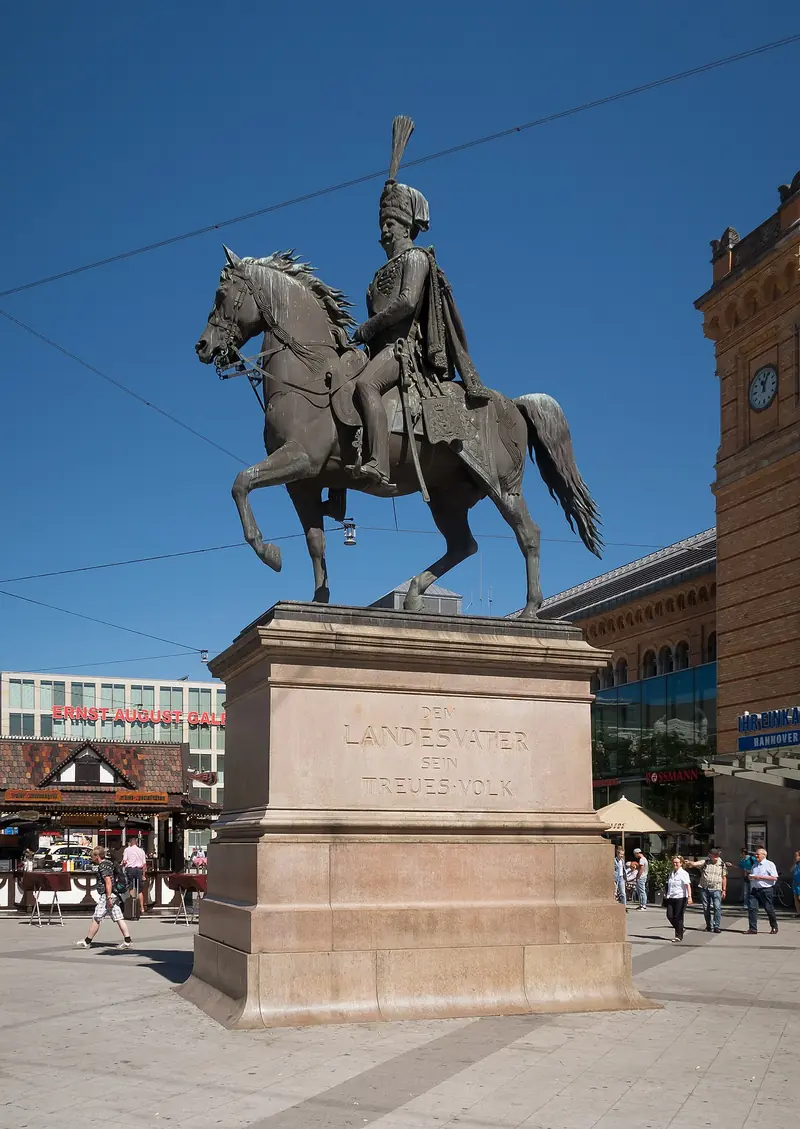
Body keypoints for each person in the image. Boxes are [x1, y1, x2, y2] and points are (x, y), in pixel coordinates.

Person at [351, 118, 490, 487]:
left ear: (406, 227)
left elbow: (407, 304)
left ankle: (379, 463)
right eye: (382, 224)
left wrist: (368, 327)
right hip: (378, 348)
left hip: (403, 352)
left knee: (364, 386)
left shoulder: (416, 259)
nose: (383, 231)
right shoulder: (377, 274)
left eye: (390, 225)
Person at [74, 846, 132, 950]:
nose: (91, 858)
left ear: (97, 856)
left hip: (107, 895)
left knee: (97, 917)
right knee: (118, 917)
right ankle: (127, 940)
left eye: (92, 856)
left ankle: (87, 941)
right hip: (114, 894)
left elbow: (108, 881)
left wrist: (108, 897)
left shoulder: (103, 866)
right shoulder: (109, 863)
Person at [685, 847, 726, 933]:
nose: (716, 857)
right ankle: (708, 925)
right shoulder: (705, 862)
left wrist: (724, 890)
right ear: (710, 856)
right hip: (704, 888)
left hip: (716, 888)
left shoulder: (722, 864)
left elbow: (724, 877)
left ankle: (716, 926)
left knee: (717, 907)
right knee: (706, 907)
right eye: (714, 856)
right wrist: (689, 862)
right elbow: (695, 864)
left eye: (717, 855)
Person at [746, 846, 779, 935]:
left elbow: (774, 877)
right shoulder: (755, 865)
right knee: (752, 908)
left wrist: (760, 877)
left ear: (764, 855)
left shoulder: (769, 864)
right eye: (755, 854)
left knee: (768, 908)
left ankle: (774, 926)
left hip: (766, 889)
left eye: (758, 854)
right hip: (754, 890)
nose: (756, 856)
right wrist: (751, 877)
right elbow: (753, 875)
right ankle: (753, 928)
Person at [664, 855, 693, 942]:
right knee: (669, 915)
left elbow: (688, 885)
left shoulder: (684, 873)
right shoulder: (671, 873)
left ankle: (678, 935)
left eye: (677, 862)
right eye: (674, 862)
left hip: (681, 897)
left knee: (678, 917)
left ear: (681, 863)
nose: (675, 864)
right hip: (671, 897)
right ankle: (680, 928)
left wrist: (689, 897)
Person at [122, 834, 147, 916]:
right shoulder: (141, 851)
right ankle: (142, 907)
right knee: (139, 890)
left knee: (131, 887)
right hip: (139, 870)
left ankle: (133, 905)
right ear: (136, 842)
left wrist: (121, 865)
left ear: (130, 842)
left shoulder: (127, 850)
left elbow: (124, 861)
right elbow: (144, 865)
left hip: (130, 870)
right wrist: (143, 875)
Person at [793, 850, 800, 918]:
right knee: (796, 898)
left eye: (797, 856)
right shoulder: (796, 863)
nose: (796, 857)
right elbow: (791, 870)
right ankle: (798, 912)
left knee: (799, 897)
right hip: (795, 882)